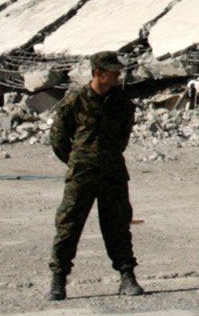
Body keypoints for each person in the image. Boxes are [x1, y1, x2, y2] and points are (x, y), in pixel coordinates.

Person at [47, 51, 147, 300]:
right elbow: (58, 137)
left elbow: (123, 136)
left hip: (113, 173)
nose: (117, 75)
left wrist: (108, 157)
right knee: (68, 226)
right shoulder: (76, 101)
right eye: (112, 71)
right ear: (98, 73)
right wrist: (77, 161)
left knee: (118, 226)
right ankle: (58, 280)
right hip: (82, 174)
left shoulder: (122, 103)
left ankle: (127, 277)